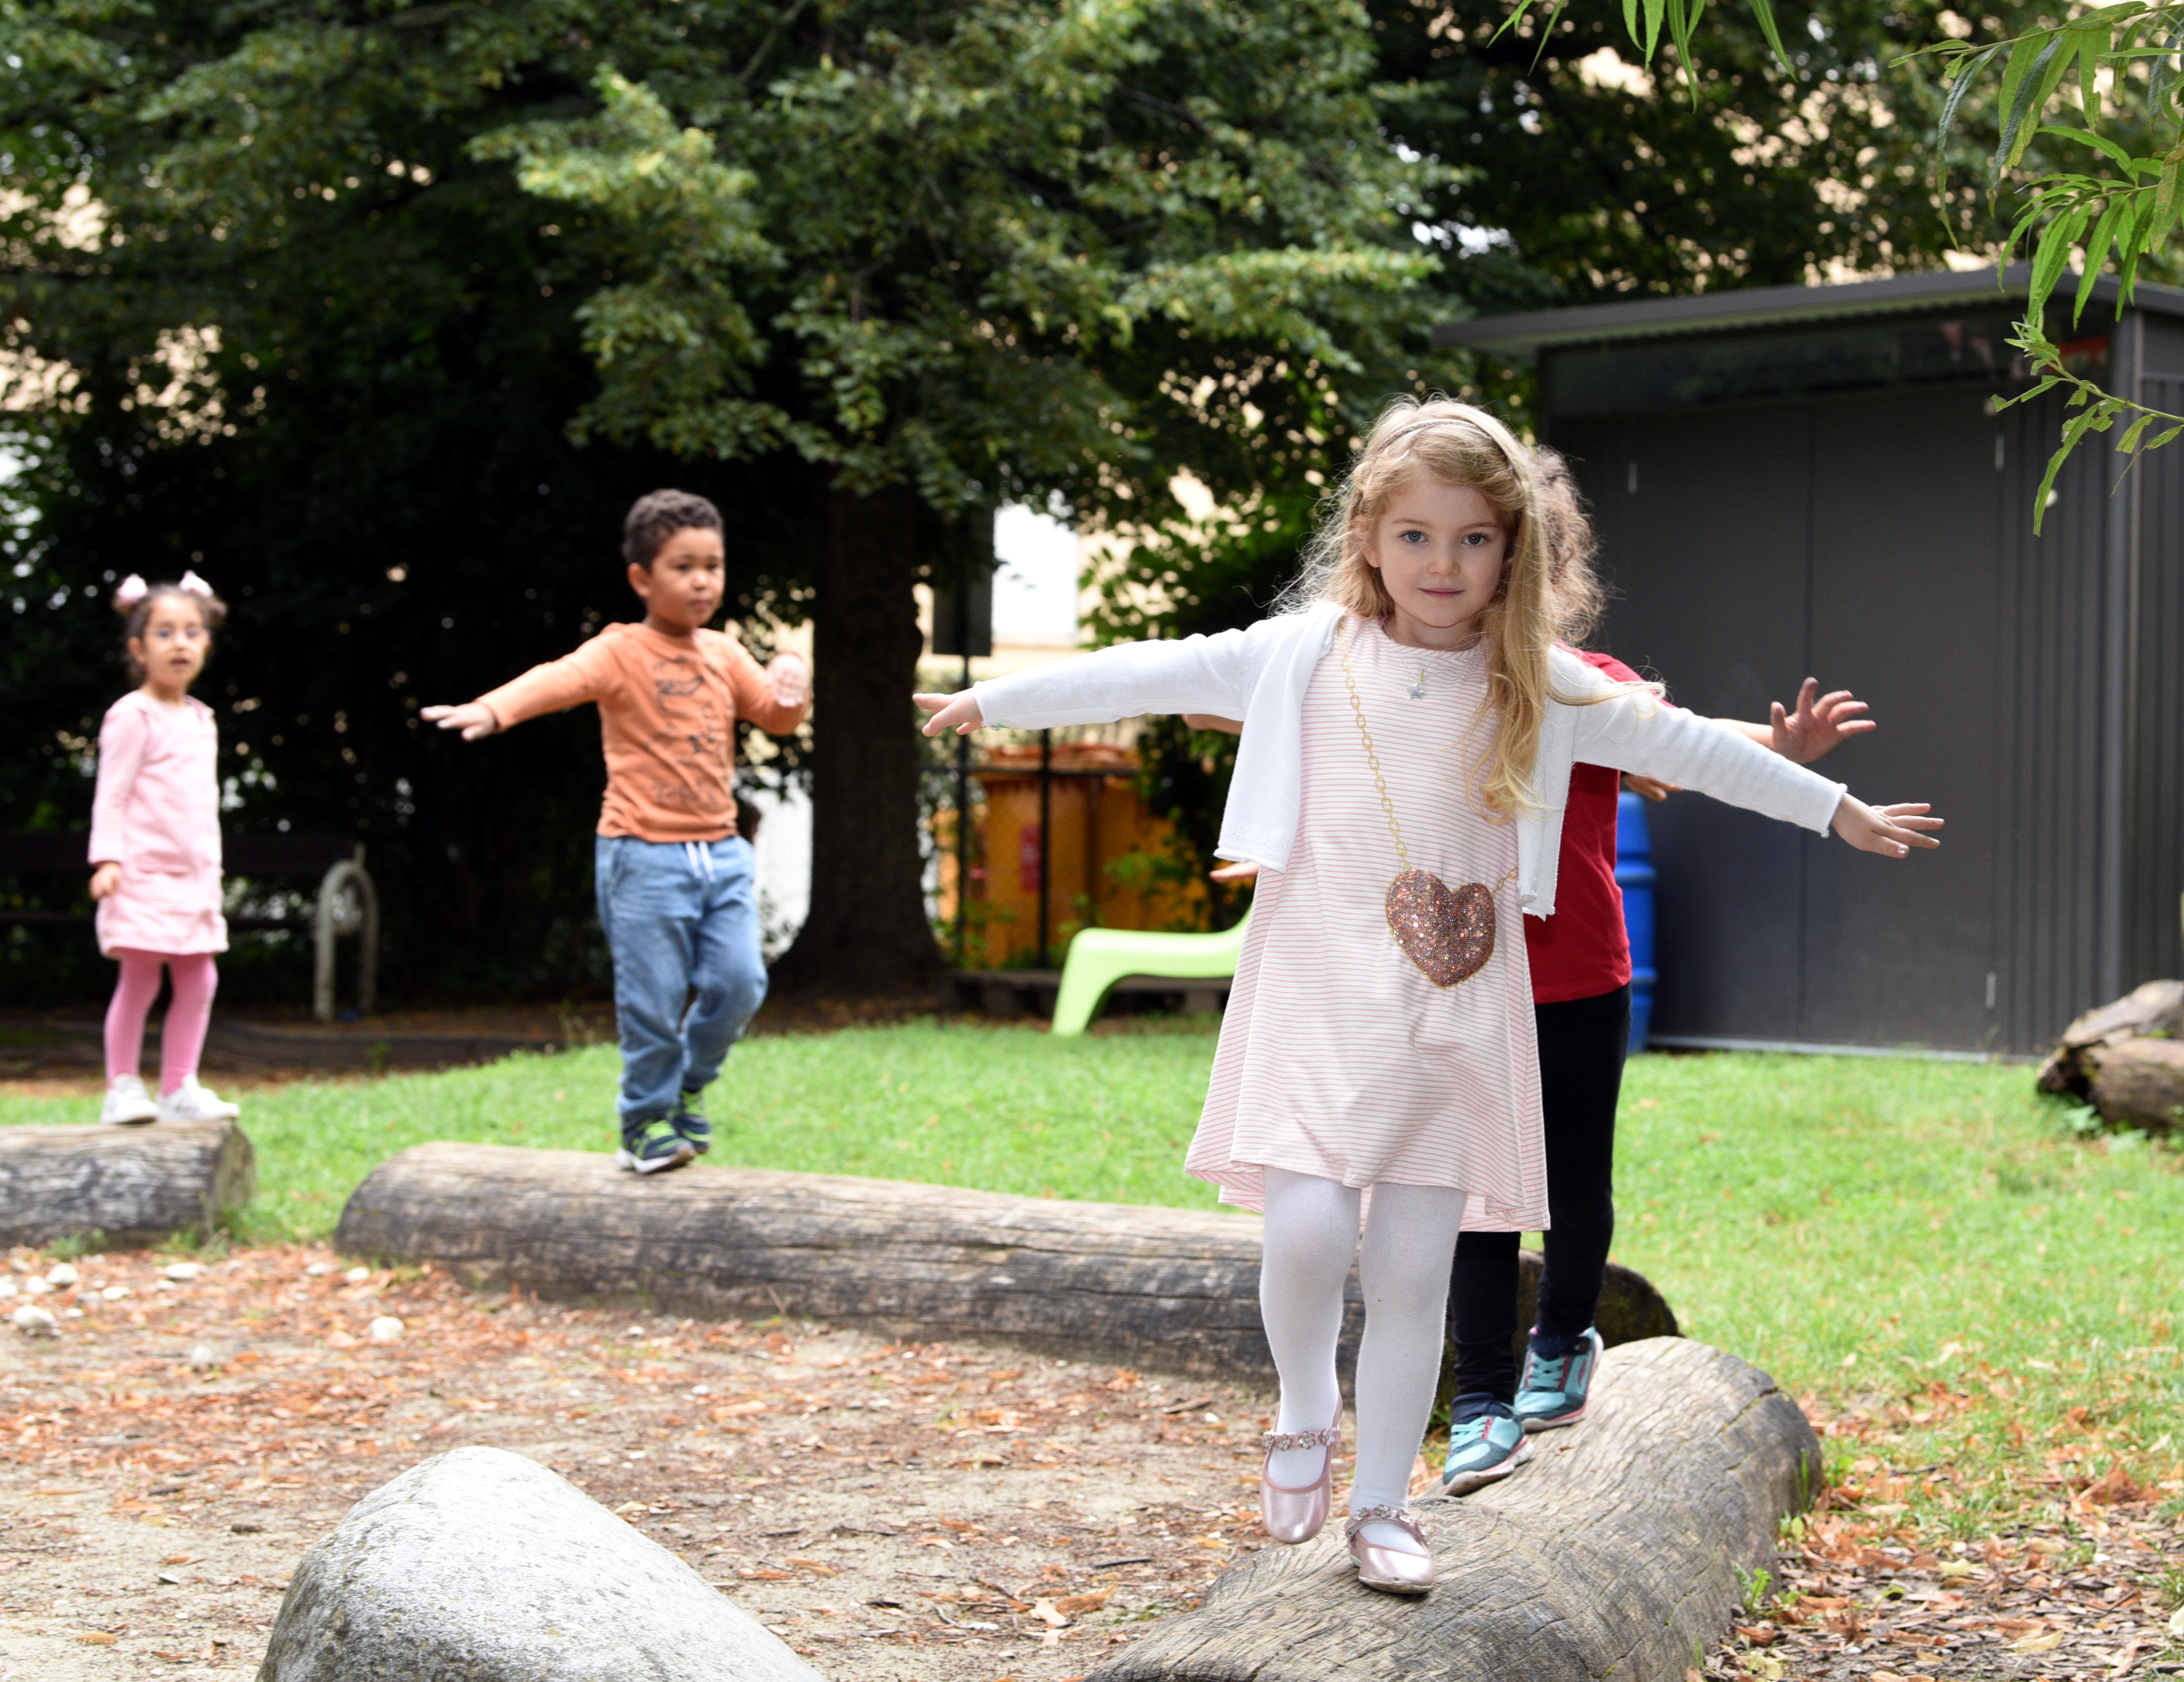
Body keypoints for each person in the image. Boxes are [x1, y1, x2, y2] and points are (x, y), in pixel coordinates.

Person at [916, 399, 1941, 1595]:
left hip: (1453, 1011)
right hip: (1315, 995)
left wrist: (1836, 809)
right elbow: (1159, 667)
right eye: (1414, 536)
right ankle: (1306, 1398)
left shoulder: (1535, 680)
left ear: (1513, 550)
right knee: (1303, 1235)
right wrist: (995, 702)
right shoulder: (1305, 651)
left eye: (1471, 539)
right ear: (1366, 536)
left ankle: (1383, 1501)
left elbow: (1689, 746)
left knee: (1411, 1273)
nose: (1441, 564)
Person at [1186, 450, 1882, 1498]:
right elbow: (1299, 720)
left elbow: (1675, 738)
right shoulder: (1387, 672)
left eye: (1492, 552)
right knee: (1461, 1201)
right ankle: (1477, 1405)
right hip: (1453, 990)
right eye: (1432, 543)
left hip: (1577, 978)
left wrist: (1779, 749)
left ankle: (1563, 1334)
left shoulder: (1574, 686)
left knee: (1572, 1190)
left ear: (1535, 573)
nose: (1462, 572)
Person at [422, 490, 809, 1175]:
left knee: (742, 981)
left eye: (713, 566)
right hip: (641, 855)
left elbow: (776, 717)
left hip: (721, 853)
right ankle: (645, 1120)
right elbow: (559, 678)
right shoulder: (621, 650)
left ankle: (690, 1081)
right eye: (683, 566)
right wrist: (492, 709)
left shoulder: (723, 653)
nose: (701, 581)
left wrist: (792, 683)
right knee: (653, 1001)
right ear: (642, 578)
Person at [89, 572, 240, 1126]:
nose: (181, 643)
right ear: (137, 647)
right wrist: (107, 859)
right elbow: (113, 793)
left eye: (193, 631)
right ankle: (122, 1087)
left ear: (207, 643)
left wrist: (211, 870)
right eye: (165, 632)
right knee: (142, 977)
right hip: (141, 875)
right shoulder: (132, 715)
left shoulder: (203, 719)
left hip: (195, 877)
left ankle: (179, 1086)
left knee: (200, 977)